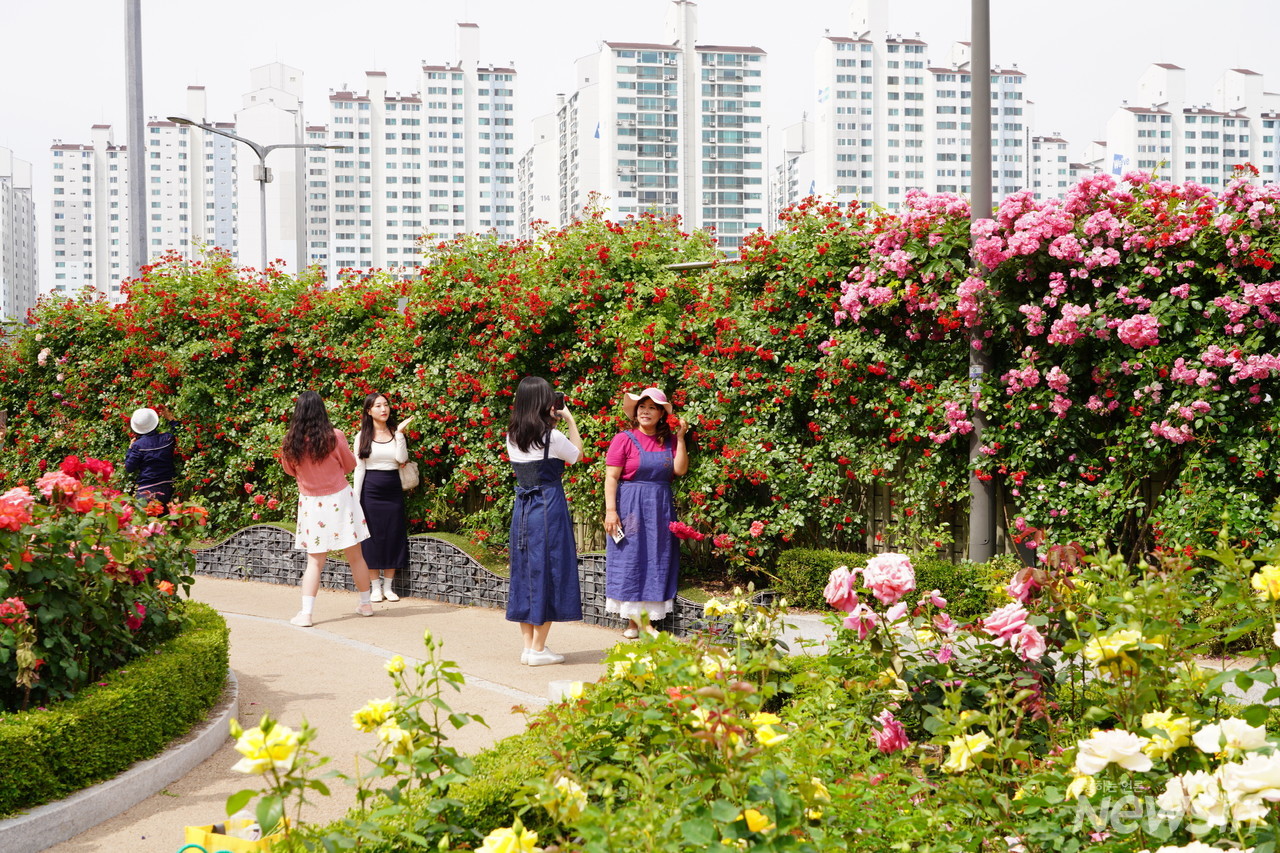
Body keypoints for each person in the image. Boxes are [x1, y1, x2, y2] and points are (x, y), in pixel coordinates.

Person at [505, 376, 584, 666]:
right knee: (550, 571)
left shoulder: (512, 436)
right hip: (549, 506)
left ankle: (529, 647)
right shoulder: (553, 437)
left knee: (525, 572)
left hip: (523, 509)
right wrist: (570, 420)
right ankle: (538, 649)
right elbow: (577, 456)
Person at [280, 390, 374, 626]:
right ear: (322, 410)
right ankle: (365, 604)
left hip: (312, 504)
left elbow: (289, 470)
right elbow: (350, 465)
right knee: (355, 556)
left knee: (314, 561)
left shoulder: (290, 441)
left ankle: (306, 614)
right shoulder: (335, 436)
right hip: (340, 500)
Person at [603, 387, 689, 638]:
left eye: (652, 407)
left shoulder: (670, 440)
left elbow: (680, 470)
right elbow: (611, 477)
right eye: (642, 406)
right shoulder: (623, 439)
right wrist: (611, 511)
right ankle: (644, 626)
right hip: (630, 505)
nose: (646, 411)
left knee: (656, 557)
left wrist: (681, 438)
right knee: (631, 558)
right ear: (635, 411)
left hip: (660, 507)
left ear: (661, 414)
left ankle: (635, 625)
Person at [353, 392, 413, 603]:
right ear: (369, 411)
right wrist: (356, 499)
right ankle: (375, 587)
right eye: (378, 406)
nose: (383, 409)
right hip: (370, 491)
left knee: (393, 535)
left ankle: (388, 587)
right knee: (372, 538)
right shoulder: (361, 436)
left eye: (385, 405)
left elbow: (401, 459)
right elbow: (359, 469)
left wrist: (400, 434)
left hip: (393, 489)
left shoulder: (396, 433)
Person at [125, 407, 177, 510]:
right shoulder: (167, 438)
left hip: (146, 490)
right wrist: (172, 420)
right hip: (167, 488)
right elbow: (179, 432)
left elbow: (129, 467)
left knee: (144, 519)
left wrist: (130, 449)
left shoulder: (138, 446)